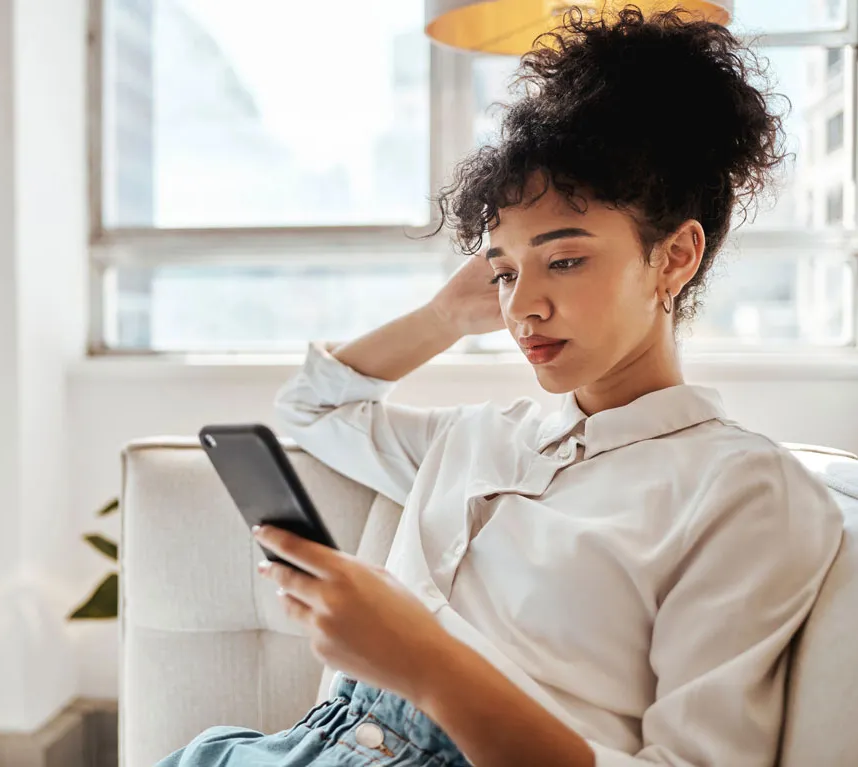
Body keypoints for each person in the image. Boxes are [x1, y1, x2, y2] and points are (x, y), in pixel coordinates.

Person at [155, 7, 844, 766]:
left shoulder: (744, 490)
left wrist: (423, 660)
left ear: (675, 256)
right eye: (506, 271)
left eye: (566, 259)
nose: (522, 307)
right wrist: (446, 313)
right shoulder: (477, 436)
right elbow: (314, 405)